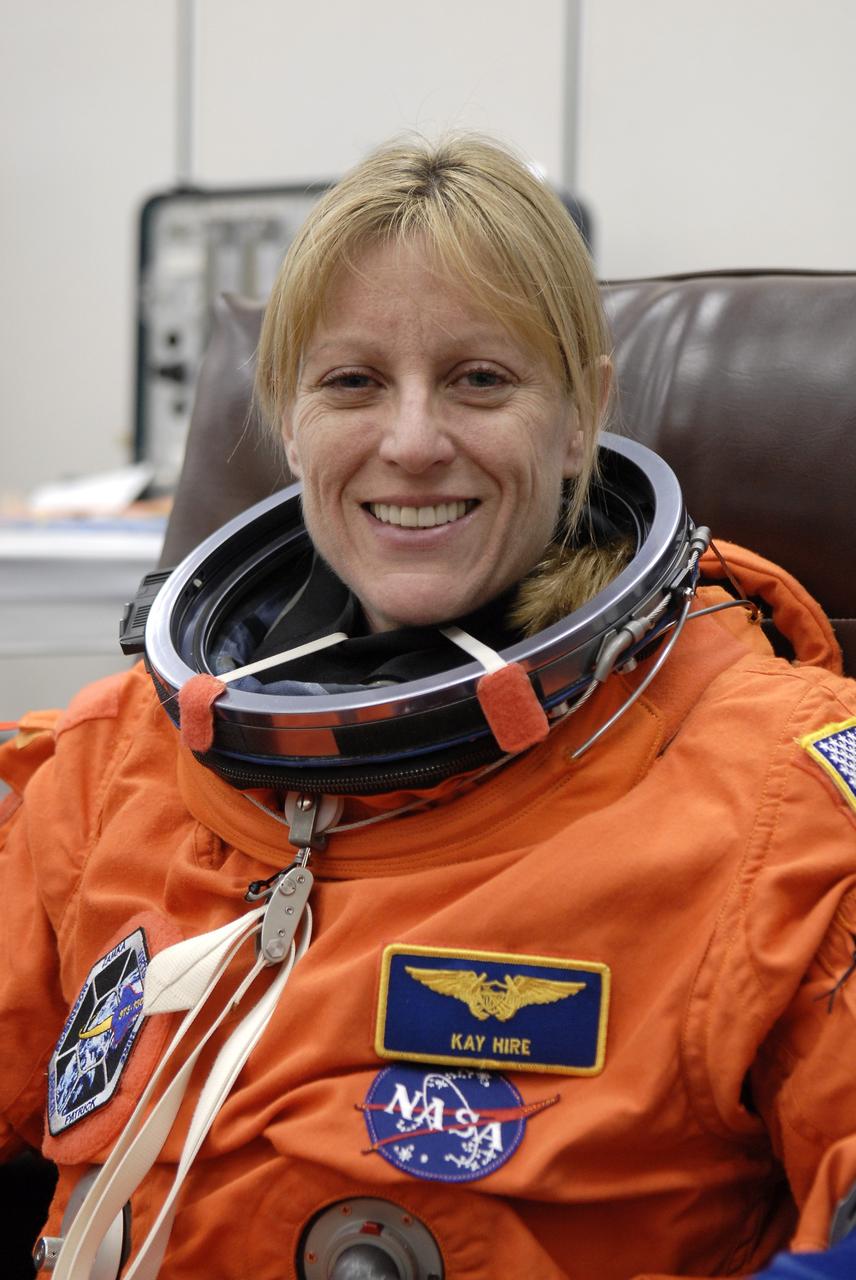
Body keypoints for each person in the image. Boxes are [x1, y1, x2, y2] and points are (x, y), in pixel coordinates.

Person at [1, 135, 856, 1280]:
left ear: (577, 419)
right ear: (288, 421)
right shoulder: (115, 762)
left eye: (479, 379)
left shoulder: (776, 796)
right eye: (351, 382)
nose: (411, 443)